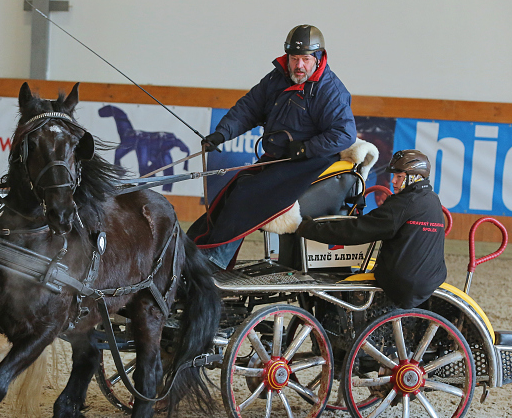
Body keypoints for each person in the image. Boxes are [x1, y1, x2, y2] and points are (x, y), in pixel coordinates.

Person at [186, 25, 356, 269]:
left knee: (247, 195)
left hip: (310, 162)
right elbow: (248, 108)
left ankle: (215, 261)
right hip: (281, 158)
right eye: (295, 58)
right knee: (232, 190)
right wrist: (221, 134)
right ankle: (195, 251)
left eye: (306, 59)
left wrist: (306, 148)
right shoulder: (277, 78)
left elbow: (345, 133)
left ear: (317, 59)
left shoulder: (329, 90)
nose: (299, 65)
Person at [296, 150, 447, 309]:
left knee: (339, 293)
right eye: (393, 176)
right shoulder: (432, 198)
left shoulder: (404, 203)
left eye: (399, 177)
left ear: (414, 177)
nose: (393, 181)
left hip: (402, 284)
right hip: (431, 280)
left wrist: (309, 228)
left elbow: (357, 231)